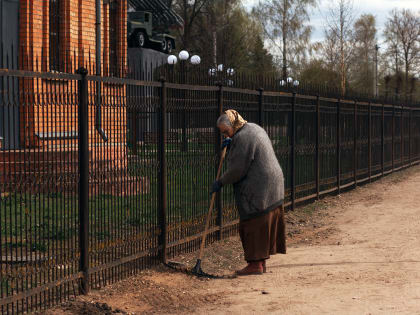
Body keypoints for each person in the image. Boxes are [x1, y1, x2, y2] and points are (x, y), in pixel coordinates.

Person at [211, 109, 286, 276]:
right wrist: (231, 144)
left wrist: (220, 182)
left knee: (253, 224)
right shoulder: (252, 127)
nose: (225, 135)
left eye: (226, 132)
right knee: (263, 223)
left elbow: (238, 169)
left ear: (233, 125)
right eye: (223, 133)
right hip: (273, 183)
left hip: (260, 187)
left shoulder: (243, 137)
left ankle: (255, 264)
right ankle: (260, 262)